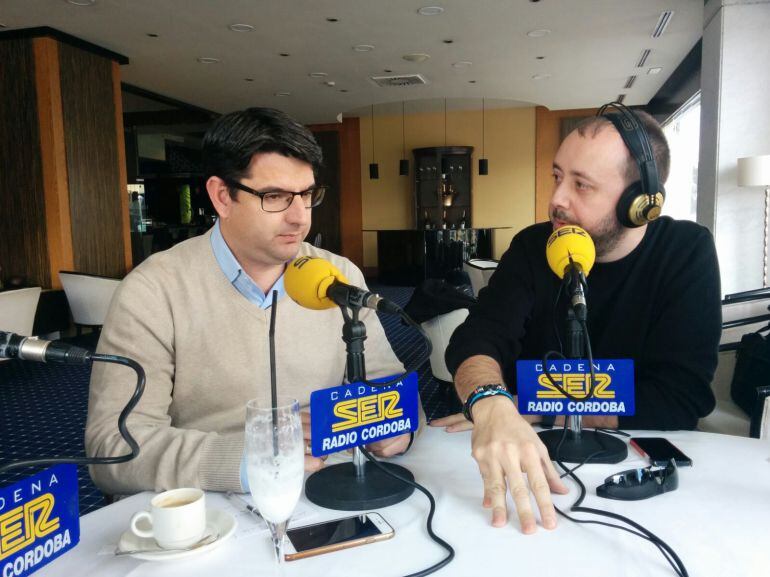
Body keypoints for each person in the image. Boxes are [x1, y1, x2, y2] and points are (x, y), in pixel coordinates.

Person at [86, 107, 411, 495]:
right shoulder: (154, 291)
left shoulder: (339, 276)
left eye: (307, 195)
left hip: (331, 486)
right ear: (222, 196)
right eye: (275, 196)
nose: (300, 218)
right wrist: (251, 458)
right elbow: (113, 447)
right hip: (208, 503)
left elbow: (389, 385)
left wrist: (399, 428)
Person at [433, 105, 721, 534]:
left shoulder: (685, 251)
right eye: (557, 176)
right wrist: (491, 403)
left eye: (581, 185)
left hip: (636, 478)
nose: (557, 199)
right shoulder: (533, 246)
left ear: (639, 203)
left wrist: (531, 408)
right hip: (527, 469)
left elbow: (681, 398)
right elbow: (476, 339)